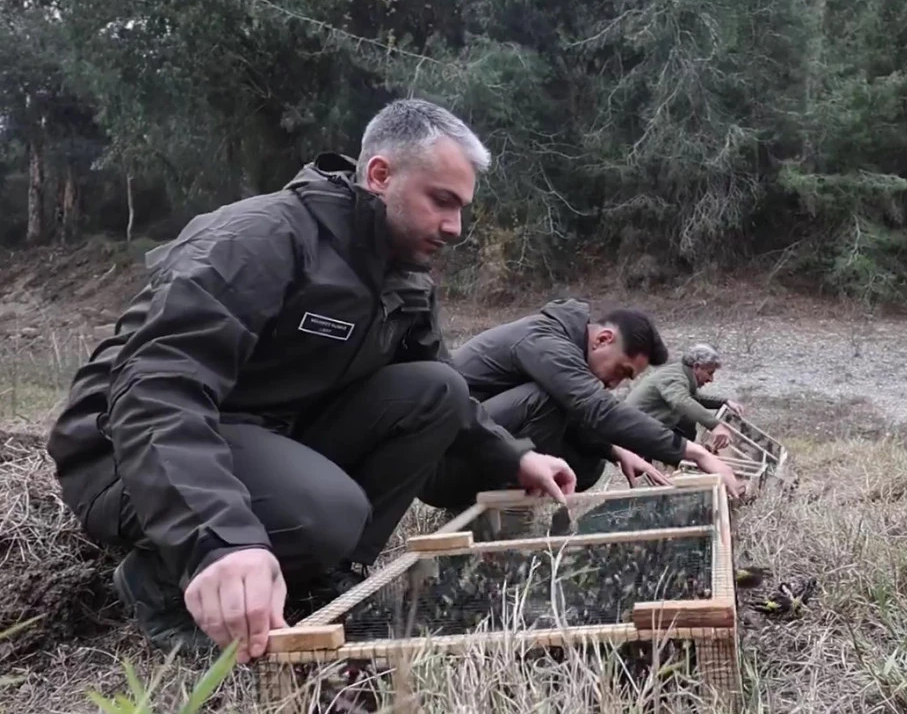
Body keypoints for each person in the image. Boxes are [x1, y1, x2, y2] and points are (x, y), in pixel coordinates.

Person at [43, 98, 577, 666]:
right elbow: (156, 390)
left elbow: (446, 391)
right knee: (329, 513)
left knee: (437, 389)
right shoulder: (258, 238)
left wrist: (515, 456)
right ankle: (159, 582)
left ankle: (326, 570)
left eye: (461, 208)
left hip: (265, 433)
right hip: (127, 452)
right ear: (380, 175)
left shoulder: (402, 275)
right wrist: (218, 538)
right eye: (441, 201)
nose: (455, 227)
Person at [449, 299, 745, 499]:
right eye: (620, 371)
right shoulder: (546, 341)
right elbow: (597, 409)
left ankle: (520, 494)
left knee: (590, 462)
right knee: (549, 400)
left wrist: (613, 450)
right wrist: (698, 454)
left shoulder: (563, 344)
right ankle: (511, 506)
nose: (614, 384)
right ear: (603, 339)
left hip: (478, 442)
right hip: (447, 457)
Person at [624, 343, 745, 450]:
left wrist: (724, 401)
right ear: (696, 367)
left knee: (687, 423)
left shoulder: (681, 373)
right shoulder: (675, 377)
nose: (711, 379)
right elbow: (682, 401)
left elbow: (693, 398)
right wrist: (715, 425)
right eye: (709, 373)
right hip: (633, 431)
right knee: (686, 419)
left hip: (642, 427)